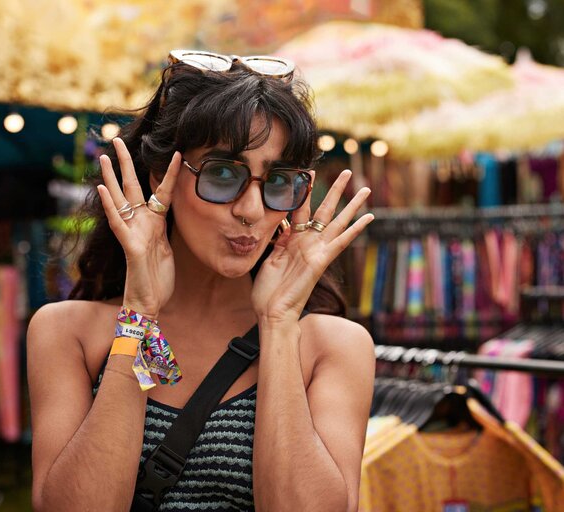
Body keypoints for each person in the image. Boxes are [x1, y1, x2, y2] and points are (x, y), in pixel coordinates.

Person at [27, 50, 376, 512]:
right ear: (161, 177)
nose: (251, 210)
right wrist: (140, 316)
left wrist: (278, 322)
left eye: (278, 181)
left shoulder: (332, 347)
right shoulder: (69, 332)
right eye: (223, 173)